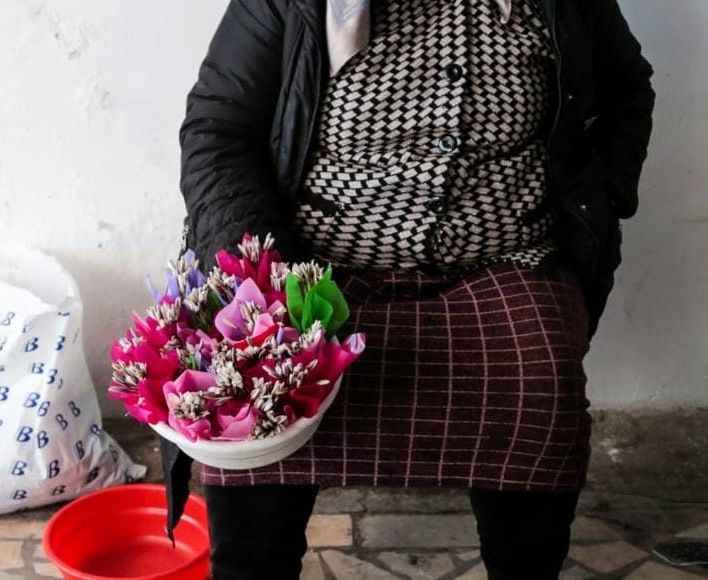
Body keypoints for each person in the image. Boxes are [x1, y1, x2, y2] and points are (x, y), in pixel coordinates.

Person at [170, 0, 655, 578]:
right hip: (310, 267)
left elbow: (628, 93)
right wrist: (271, 284)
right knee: (249, 392)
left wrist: (602, 196)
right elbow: (217, 130)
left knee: (539, 379)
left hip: (503, 258)